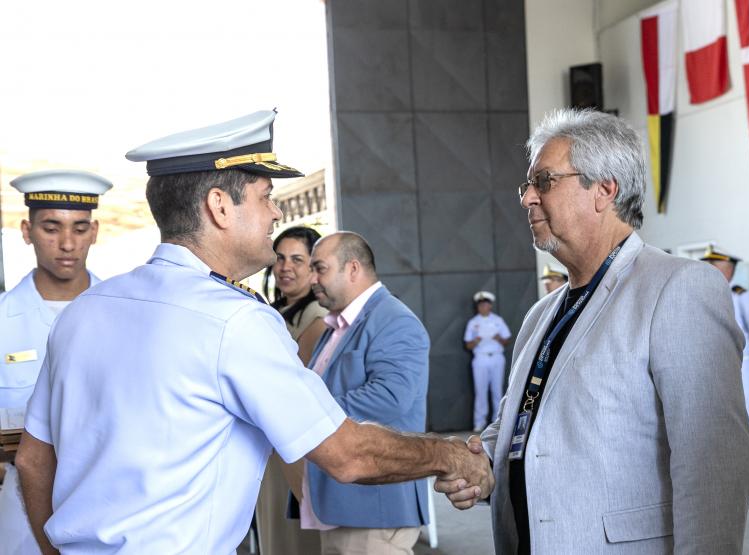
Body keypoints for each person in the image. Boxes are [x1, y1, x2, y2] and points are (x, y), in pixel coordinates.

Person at [14, 110, 492, 554]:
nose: (276, 215)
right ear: (219, 206)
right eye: (265, 198)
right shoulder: (235, 321)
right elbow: (348, 456)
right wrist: (448, 455)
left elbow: (35, 462)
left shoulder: (85, 309)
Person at [436, 108, 749, 554]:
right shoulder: (541, 315)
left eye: (544, 181)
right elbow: (524, 419)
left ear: (605, 189)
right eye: (528, 185)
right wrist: (483, 458)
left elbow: (714, 465)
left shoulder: (677, 289)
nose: (527, 197)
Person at [0, 170, 111, 555]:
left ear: (94, 232)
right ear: (27, 231)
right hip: (17, 514)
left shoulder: (125, 316)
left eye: (80, 229)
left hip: (110, 506)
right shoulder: (2, 321)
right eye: (51, 228)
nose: (67, 243)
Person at [301, 231, 430, 554]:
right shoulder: (338, 325)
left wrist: (306, 413)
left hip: (374, 508)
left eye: (320, 268)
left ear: (353, 268)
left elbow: (390, 397)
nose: (312, 278)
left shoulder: (394, 320)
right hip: (339, 506)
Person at [255, 226, 327, 554]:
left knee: (295, 542)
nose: (286, 267)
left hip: (296, 451)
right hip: (270, 449)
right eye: (280, 258)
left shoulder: (319, 319)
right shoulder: (273, 311)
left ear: (315, 266)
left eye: (297, 259)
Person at [701, 245, 749, 508]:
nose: (708, 268)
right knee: (719, 428)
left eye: (714, 264)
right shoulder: (705, 295)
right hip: (714, 367)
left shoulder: (741, 296)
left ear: (729, 269)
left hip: (743, 366)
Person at [463, 291, 511, 432]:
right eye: (481, 305)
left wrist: (498, 338)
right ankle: (479, 423)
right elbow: (468, 344)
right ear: (478, 307)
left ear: (490, 306)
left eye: (486, 304)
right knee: (480, 391)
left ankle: (498, 423)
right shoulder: (473, 323)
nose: (483, 307)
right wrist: (477, 340)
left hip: (496, 356)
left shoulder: (497, 320)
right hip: (481, 357)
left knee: (497, 391)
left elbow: (507, 339)